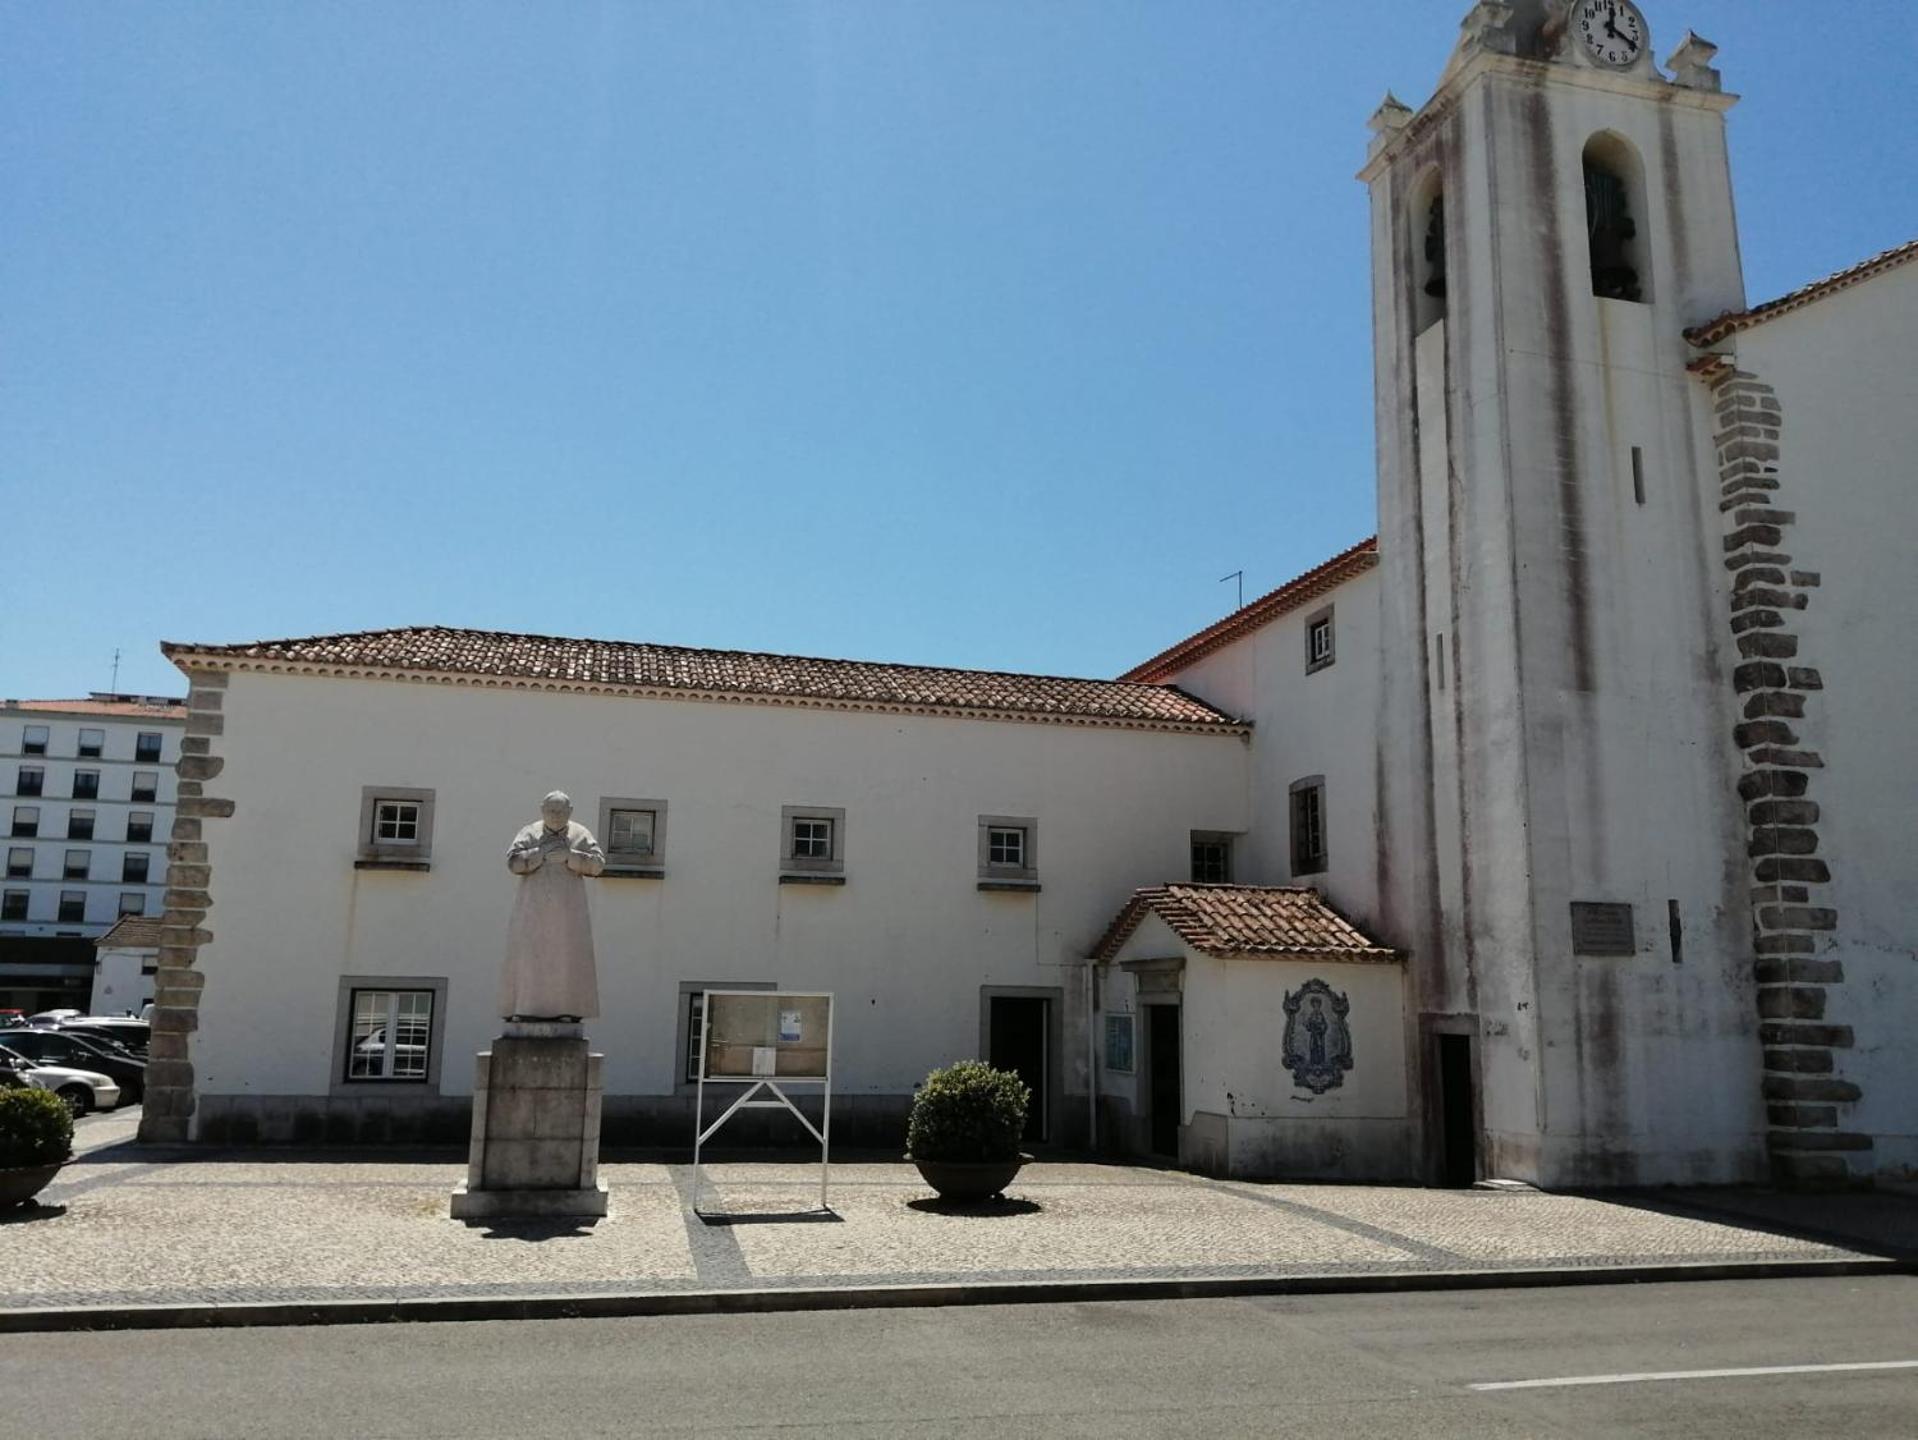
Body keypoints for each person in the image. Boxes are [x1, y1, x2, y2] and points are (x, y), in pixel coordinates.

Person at [500, 792, 605, 1021]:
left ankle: (566, 1010)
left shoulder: (580, 834)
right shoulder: (529, 833)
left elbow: (597, 865)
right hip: (533, 910)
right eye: (551, 811)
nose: (555, 816)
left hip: (569, 912)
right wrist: (539, 854)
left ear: (570, 811)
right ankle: (525, 1009)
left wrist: (571, 856)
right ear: (542, 810)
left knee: (566, 959)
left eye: (560, 811)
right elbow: (513, 863)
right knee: (529, 958)